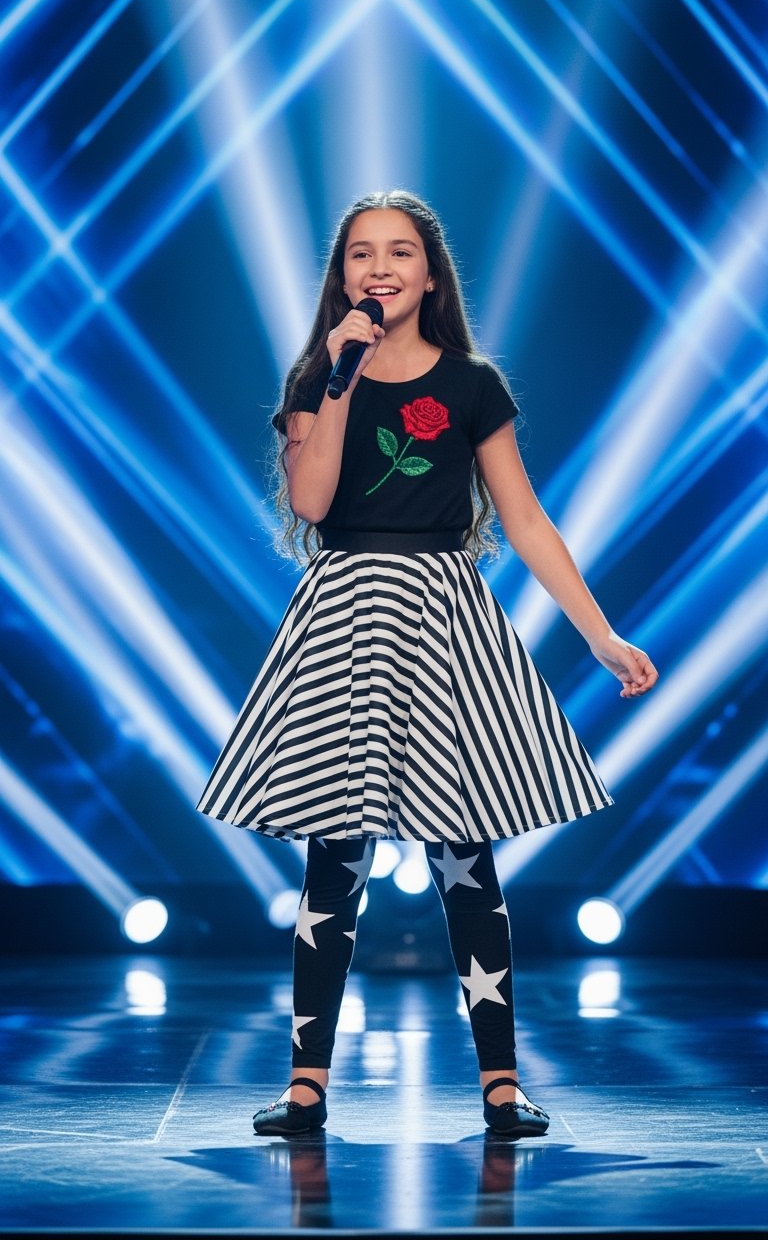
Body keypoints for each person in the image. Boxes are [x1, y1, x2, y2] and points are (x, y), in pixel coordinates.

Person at [196, 190, 658, 1140]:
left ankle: (501, 1085)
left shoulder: (471, 383)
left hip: (443, 616)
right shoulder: (318, 376)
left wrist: (600, 634)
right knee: (336, 853)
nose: (380, 268)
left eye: (399, 251)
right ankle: (306, 1085)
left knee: (464, 853)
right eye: (361, 253)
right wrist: (337, 380)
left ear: (431, 274)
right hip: (344, 618)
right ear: (341, 278)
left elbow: (524, 519)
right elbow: (313, 500)